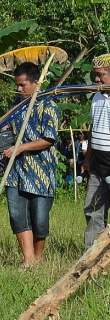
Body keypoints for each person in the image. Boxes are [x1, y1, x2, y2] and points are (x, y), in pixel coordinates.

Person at [2, 62, 59, 268]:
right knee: (17, 214)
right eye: (17, 85)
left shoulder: (49, 105)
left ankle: (38, 256)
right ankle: (28, 260)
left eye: (23, 85)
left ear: (36, 82)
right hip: (16, 170)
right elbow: (8, 130)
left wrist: (22, 147)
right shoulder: (16, 105)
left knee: (40, 218)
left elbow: (49, 138)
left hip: (41, 170)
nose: (19, 89)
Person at [83, 54, 110, 247]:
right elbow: (94, 128)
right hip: (98, 162)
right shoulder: (97, 96)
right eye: (95, 75)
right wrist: (88, 159)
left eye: (100, 75)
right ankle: (92, 252)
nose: (96, 80)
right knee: (93, 208)